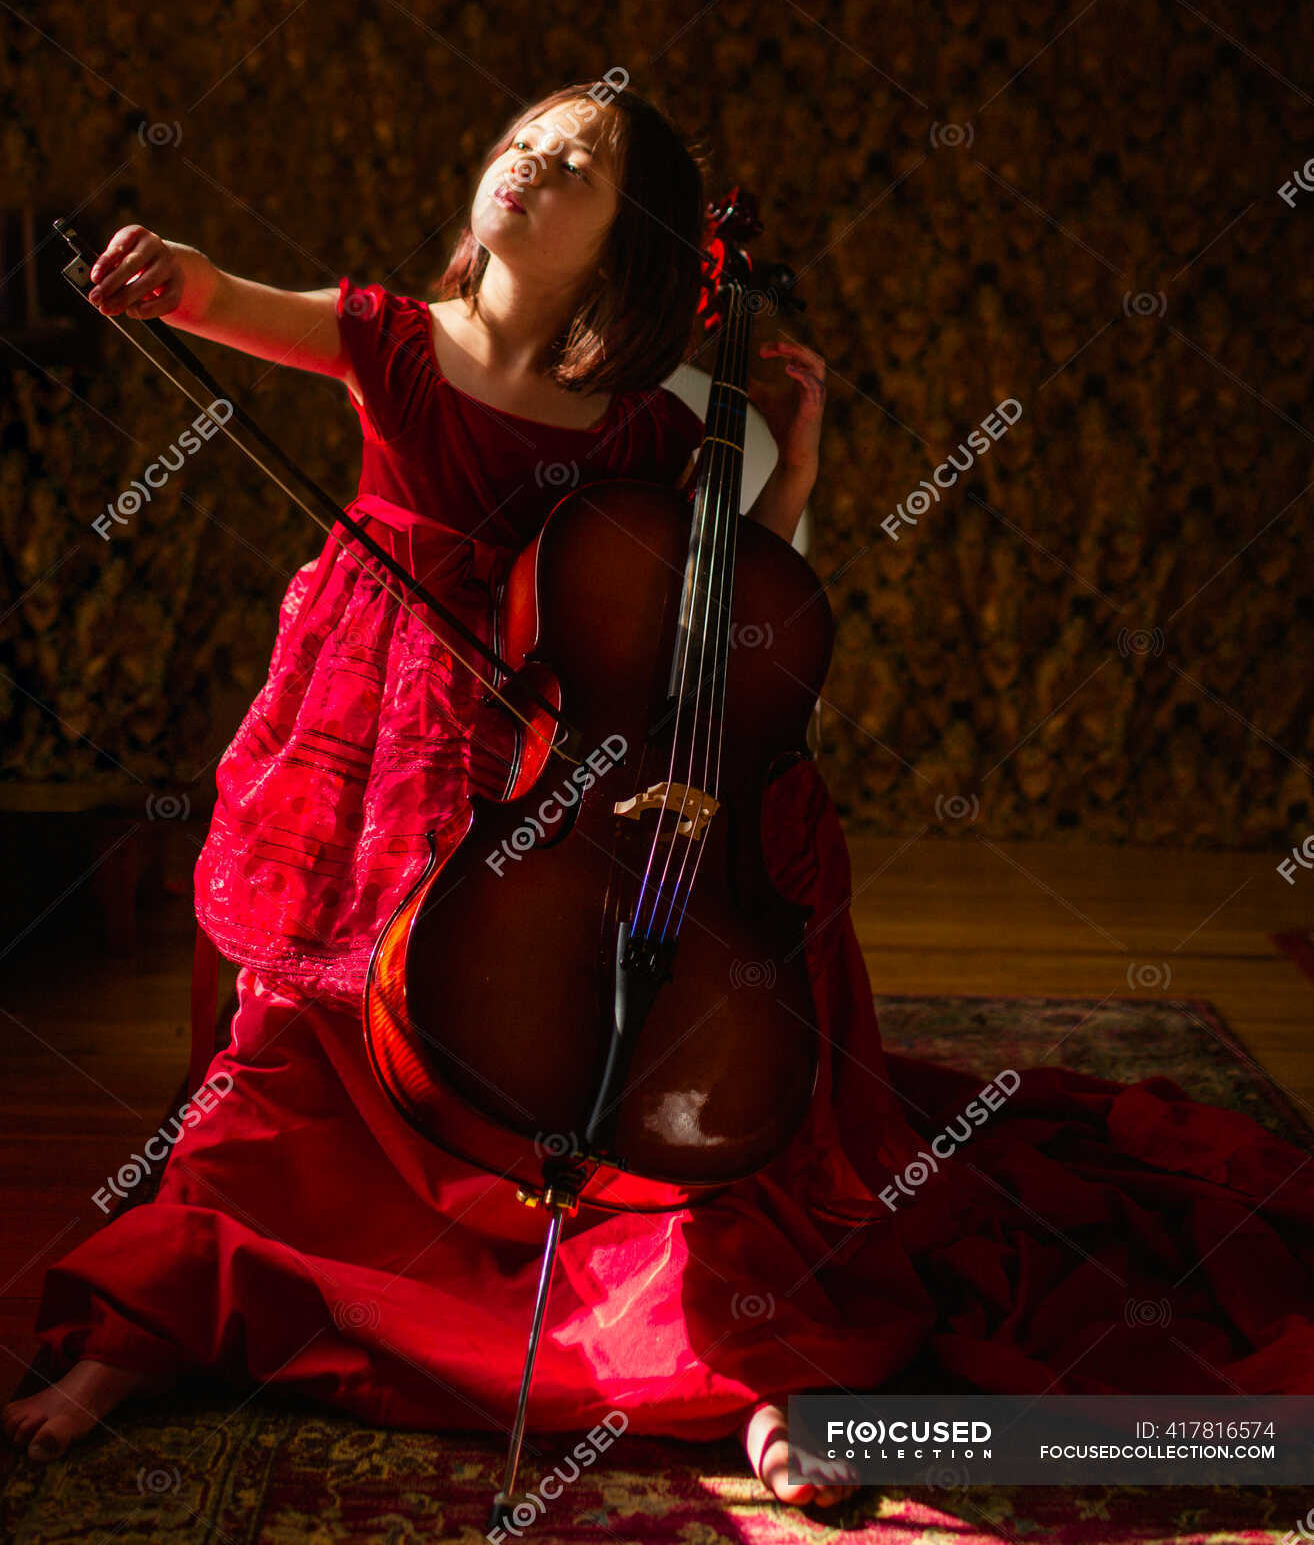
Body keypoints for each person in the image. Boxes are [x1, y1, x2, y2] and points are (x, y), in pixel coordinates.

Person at [7, 82, 1314, 1515]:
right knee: (307, 1035)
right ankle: (150, 1323)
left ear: (627, 254)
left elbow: (711, 624)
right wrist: (165, 273)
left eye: (575, 162)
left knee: (654, 1024)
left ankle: (727, 1362)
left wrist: (790, 470)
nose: (527, 158)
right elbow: (222, 296)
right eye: (523, 135)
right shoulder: (388, 335)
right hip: (384, 743)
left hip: (557, 763)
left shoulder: (638, 434)